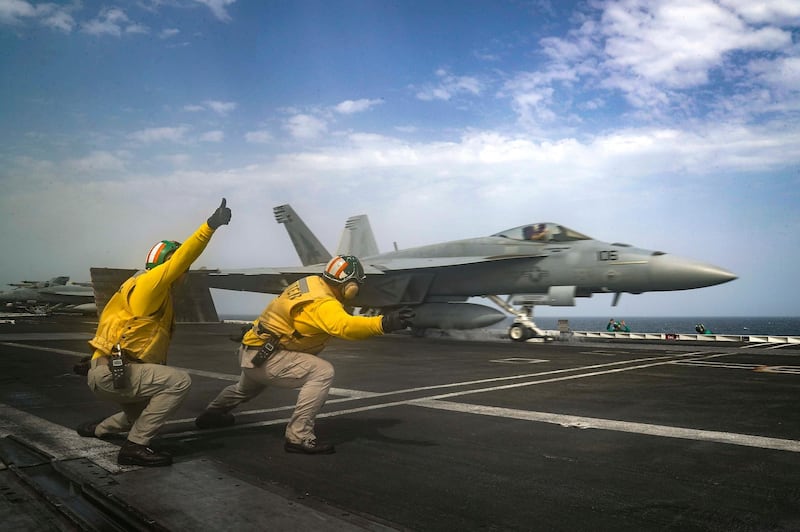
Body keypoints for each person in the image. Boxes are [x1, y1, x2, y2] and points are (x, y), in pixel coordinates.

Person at [194, 255, 414, 455]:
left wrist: (250, 329)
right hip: (270, 357)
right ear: (350, 285)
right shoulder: (323, 302)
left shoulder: (308, 283)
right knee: (322, 372)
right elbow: (344, 326)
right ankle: (298, 437)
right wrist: (384, 323)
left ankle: (212, 414)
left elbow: (276, 307)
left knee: (243, 389)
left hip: (253, 351)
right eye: (356, 284)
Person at [76, 199, 232, 467]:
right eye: (179, 267)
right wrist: (210, 226)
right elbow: (185, 256)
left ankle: (98, 430)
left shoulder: (134, 285)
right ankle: (134, 448)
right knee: (178, 382)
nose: (184, 273)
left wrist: (92, 358)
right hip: (115, 373)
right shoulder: (152, 283)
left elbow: (114, 324)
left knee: (138, 413)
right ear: (168, 265)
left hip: (108, 370)